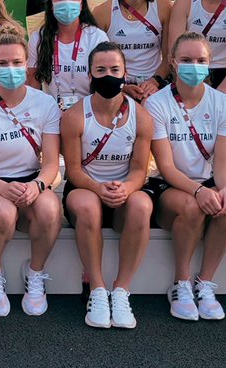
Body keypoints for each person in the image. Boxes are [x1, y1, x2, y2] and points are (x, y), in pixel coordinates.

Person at [0, 28, 63, 318]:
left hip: (30, 181)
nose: (11, 69)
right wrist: (2, 189)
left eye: (17, 63)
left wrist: (38, 186)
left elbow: (51, 164)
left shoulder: (44, 103)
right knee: (3, 213)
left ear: (26, 63)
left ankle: (35, 273)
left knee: (49, 208)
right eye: (3, 64)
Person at [61, 41, 155, 330]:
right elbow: (74, 170)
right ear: (90, 75)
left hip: (123, 188)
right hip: (85, 188)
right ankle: (98, 290)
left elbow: (140, 169)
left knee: (142, 205)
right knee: (88, 207)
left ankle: (121, 290)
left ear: (125, 73)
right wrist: (97, 188)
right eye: (100, 70)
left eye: (115, 69)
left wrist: (127, 188)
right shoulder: (75, 115)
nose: (108, 75)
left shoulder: (142, 116)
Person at [146, 31, 226, 322]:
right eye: (186, 59)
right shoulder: (157, 103)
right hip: (170, 184)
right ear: (173, 63)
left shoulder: (222, 104)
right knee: (192, 207)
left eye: (200, 60)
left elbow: (223, 164)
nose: (194, 65)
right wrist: (199, 192)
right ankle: (181, 283)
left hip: (208, 181)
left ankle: (205, 284)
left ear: (210, 63)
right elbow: (167, 167)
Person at [92, 0, 172, 101]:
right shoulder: (102, 12)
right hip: (117, 86)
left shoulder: (164, 7)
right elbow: (97, 61)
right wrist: (121, 86)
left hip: (153, 85)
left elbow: (169, 57)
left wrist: (155, 81)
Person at [27, 0, 105, 109]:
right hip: (51, 114)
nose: (66, 2)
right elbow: (33, 87)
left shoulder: (97, 37)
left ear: (81, 5)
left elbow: (104, 83)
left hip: (89, 113)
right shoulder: (38, 39)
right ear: (51, 5)